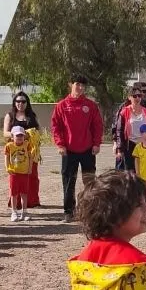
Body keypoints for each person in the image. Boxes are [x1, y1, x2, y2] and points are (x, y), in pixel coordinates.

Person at [54, 75, 105, 223]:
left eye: (83, 85)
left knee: (89, 181)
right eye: (78, 84)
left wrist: (96, 143)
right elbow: (56, 126)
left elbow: (97, 125)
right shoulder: (62, 105)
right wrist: (60, 144)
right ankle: (68, 212)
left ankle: (90, 210)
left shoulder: (90, 105)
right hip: (68, 150)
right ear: (70, 84)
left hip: (88, 149)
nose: (80, 88)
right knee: (69, 181)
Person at [114, 81, 146, 173]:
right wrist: (119, 149)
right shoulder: (124, 111)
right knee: (130, 174)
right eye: (134, 96)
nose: (137, 98)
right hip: (130, 146)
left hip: (144, 145)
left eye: (139, 96)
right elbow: (119, 131)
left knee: (144, 171)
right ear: (129, 97)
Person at [6, 126, 38, 221]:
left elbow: (30, 156)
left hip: (24, 173)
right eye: (17, 135)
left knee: (24, 193)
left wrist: (30, 168)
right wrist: (7, 167)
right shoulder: (9, 146)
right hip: (14, 173)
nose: (20, 137)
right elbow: (7, 157)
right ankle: (14, 212)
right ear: (12, 136)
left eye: (21, 135)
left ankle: (24, 212)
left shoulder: (27, 144)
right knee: (14, 194)